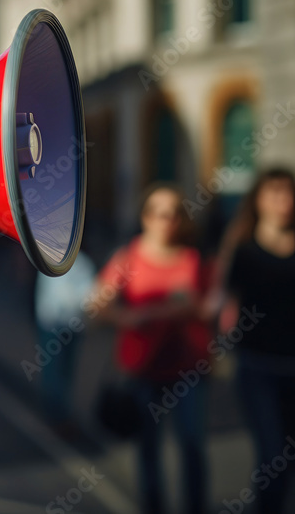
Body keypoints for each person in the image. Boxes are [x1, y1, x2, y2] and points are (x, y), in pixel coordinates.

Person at [93, 183, 209, 514]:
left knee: (193, 446)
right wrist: (128, 316)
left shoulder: (192, 259)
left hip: (188, 369)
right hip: (142, 370)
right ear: (145, 217)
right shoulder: (127, 258)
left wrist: (182, 308)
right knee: (149, 449)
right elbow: (96, 307)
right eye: (158, 213)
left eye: (173, 214)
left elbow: (207, 309)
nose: (166, 220)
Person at [217, 168, 295, 514]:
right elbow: (226, 300)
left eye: (288, 193)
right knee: (271, 454)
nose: (283, 201)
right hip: (256, 366)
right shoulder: (244, 246)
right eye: (274, 193)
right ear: (259, 200)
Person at [33, 247, 95, 434]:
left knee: (65, 371)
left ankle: (59, 413)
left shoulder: (82, 262)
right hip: (54, 325)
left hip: (72, 326)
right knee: (54, 371)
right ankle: (56, 416)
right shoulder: (54, 258)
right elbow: (61, 296)